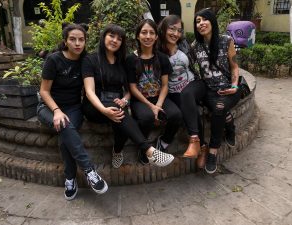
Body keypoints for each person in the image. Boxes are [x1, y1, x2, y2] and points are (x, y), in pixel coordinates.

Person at [81, 24, 174, 168]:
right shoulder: (90, 60)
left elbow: (129, 89)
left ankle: (117, 150)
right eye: (111, 36)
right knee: (121, 116)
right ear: (103, 37)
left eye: (119, 38)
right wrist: (104, 110)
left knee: (121, 119)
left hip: (116, 104)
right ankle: (149, 150)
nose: (114, 40)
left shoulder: (121, 62)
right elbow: (89, 91)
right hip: (94, 106)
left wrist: (125, 99)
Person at [37, 23, 108, 201]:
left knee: (64, 135)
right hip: (48, 107)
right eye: (73, 39)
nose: (77, 43)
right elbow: (44, 91)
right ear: (65, 41)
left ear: (85, 41)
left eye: (81, 40)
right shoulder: (54, 60)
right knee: (64, 125)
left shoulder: (85, 60)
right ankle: (90, 170)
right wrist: (56, 111)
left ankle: (70, 178)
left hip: (74, 108)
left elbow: (91, 86)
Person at [191, 8, 241, 174]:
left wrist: (234, 86)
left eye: (204, 20)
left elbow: (234, 67)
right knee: (219, 109)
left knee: (219, 108)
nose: (201, 24)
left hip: (228, 88)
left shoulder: (226, 41)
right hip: (210, 91)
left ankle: (213, 152)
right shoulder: (195, 46)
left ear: (212, 21)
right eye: (197, 21)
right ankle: (230, 124)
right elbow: (189, 66)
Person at [126, 19, 182, 164]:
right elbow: (132, 87)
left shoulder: (162, 58)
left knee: (176, 115)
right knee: (146, 118)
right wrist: (152, 107)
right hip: (140, 100)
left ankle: (163, 142)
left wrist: (158, 104)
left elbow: (164, 85)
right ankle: (144, 148)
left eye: (152, 33)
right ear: (137, 36)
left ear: (156, 37)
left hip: (159, 97)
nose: (148, 36)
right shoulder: (131, 59)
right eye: (144, 32)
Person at [157, 15, 208, 168]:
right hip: (172, 91)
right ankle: (202, 147)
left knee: (189, 98)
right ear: (164, 29)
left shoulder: (185, 44)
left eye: (179, 30)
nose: (176, 34)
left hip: (193, 84)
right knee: (189, 111)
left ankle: (198, 145)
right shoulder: (157, 48)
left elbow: (198, 62)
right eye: (172, 29)